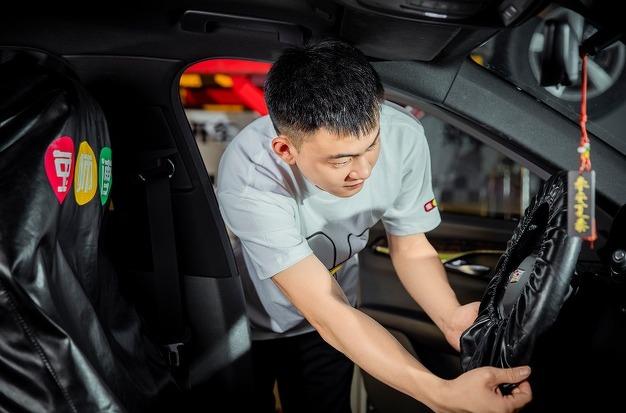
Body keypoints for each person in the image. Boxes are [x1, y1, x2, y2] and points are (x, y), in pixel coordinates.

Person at [216, 39, 532, 413]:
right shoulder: (252, 176)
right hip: (247, 327)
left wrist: (449, 317)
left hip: (337, 319)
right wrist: (440, 395)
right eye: (341, 160)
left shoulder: (402, 136)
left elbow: (410, 246)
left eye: (370, 146)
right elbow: (324, 309)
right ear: (287, 150)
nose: (363, 171)